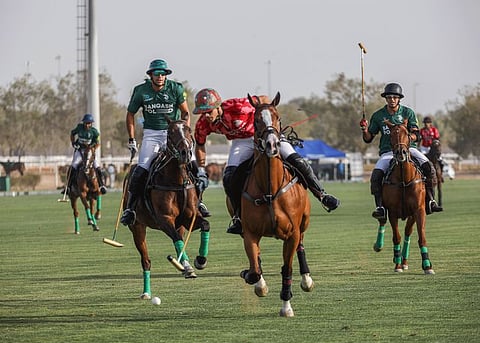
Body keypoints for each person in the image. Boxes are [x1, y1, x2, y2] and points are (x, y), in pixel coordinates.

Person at [193, 88, 340, 235]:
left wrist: (270, 120)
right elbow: (200, 144)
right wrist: (200, 169)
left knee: (297, 161)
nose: (206, 116)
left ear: (218, 106)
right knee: (228, 177)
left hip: (265, 135)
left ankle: (322, 195)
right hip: (241, 142)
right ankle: (238, 217)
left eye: (209, 111)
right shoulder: (202, 124)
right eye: (202, 112)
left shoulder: (237, 106)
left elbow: (263, 98)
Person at [120, 59, 209, 226]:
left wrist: (185, 135)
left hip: (174, 134)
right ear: (151, 75)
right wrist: (131, 139)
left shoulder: (175, 88)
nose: (160, 77)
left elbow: (185, 113)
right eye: (157, 74)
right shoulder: (141, 91)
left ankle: (199, 203)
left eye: (163, 74)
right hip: (152, 134)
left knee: (191, 165)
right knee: (142, 167)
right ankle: (130, 209)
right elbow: (130, 114)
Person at [359, 83, 443, 219]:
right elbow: (368, 139)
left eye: (394, 97)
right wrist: (365, 130)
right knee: (376, 176)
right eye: (389, 97)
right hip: (388, 152)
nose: (392, 99)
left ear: (399, 99)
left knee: (429, 167)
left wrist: (408, 137)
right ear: (385, 98)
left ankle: (431, 200)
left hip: (409, 149)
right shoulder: (378, 116)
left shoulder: (407, 113)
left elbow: (417, 134)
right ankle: (380, 207)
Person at [63, 113, 107, 195]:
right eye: (86, 123)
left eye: (89, 123)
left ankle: (102, 186)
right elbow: (72, 134)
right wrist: (73, 143)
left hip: (90, 151)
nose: (87, 125)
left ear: (91, 123)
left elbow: (98, 143)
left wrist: (93, 149)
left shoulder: (94, 132)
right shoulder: (79, 128)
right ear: (83, 123)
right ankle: (68, 187)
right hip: (80, 151)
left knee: (97, 166)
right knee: (74, 165)